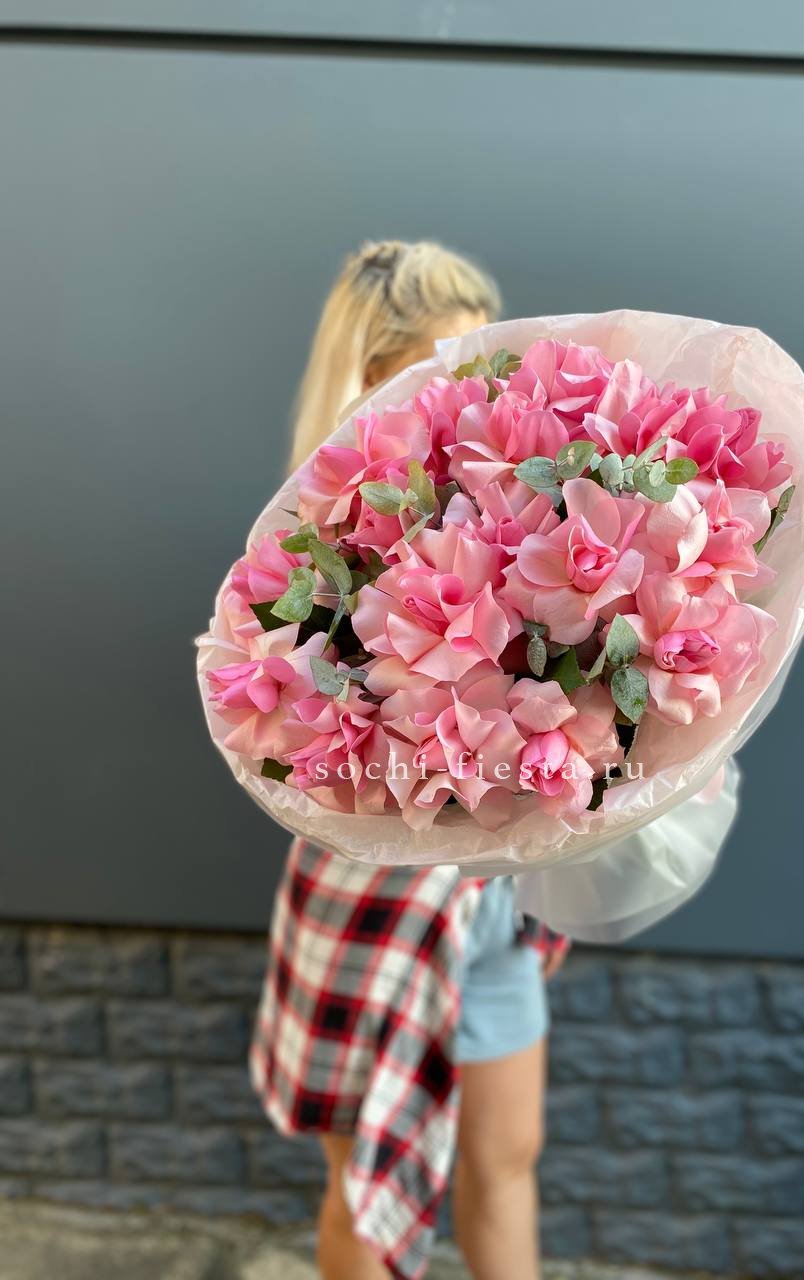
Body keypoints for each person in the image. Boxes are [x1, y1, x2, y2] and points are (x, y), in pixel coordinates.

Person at [249, 239, 569, 1280]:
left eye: (484, 349)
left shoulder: (514, 493)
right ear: (374, 369)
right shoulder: (318, 535)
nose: (473, 378)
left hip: (496, 904)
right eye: (445, 355)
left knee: (508, 1156)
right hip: (377, 898)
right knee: (370, 1192)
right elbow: (300, 730)